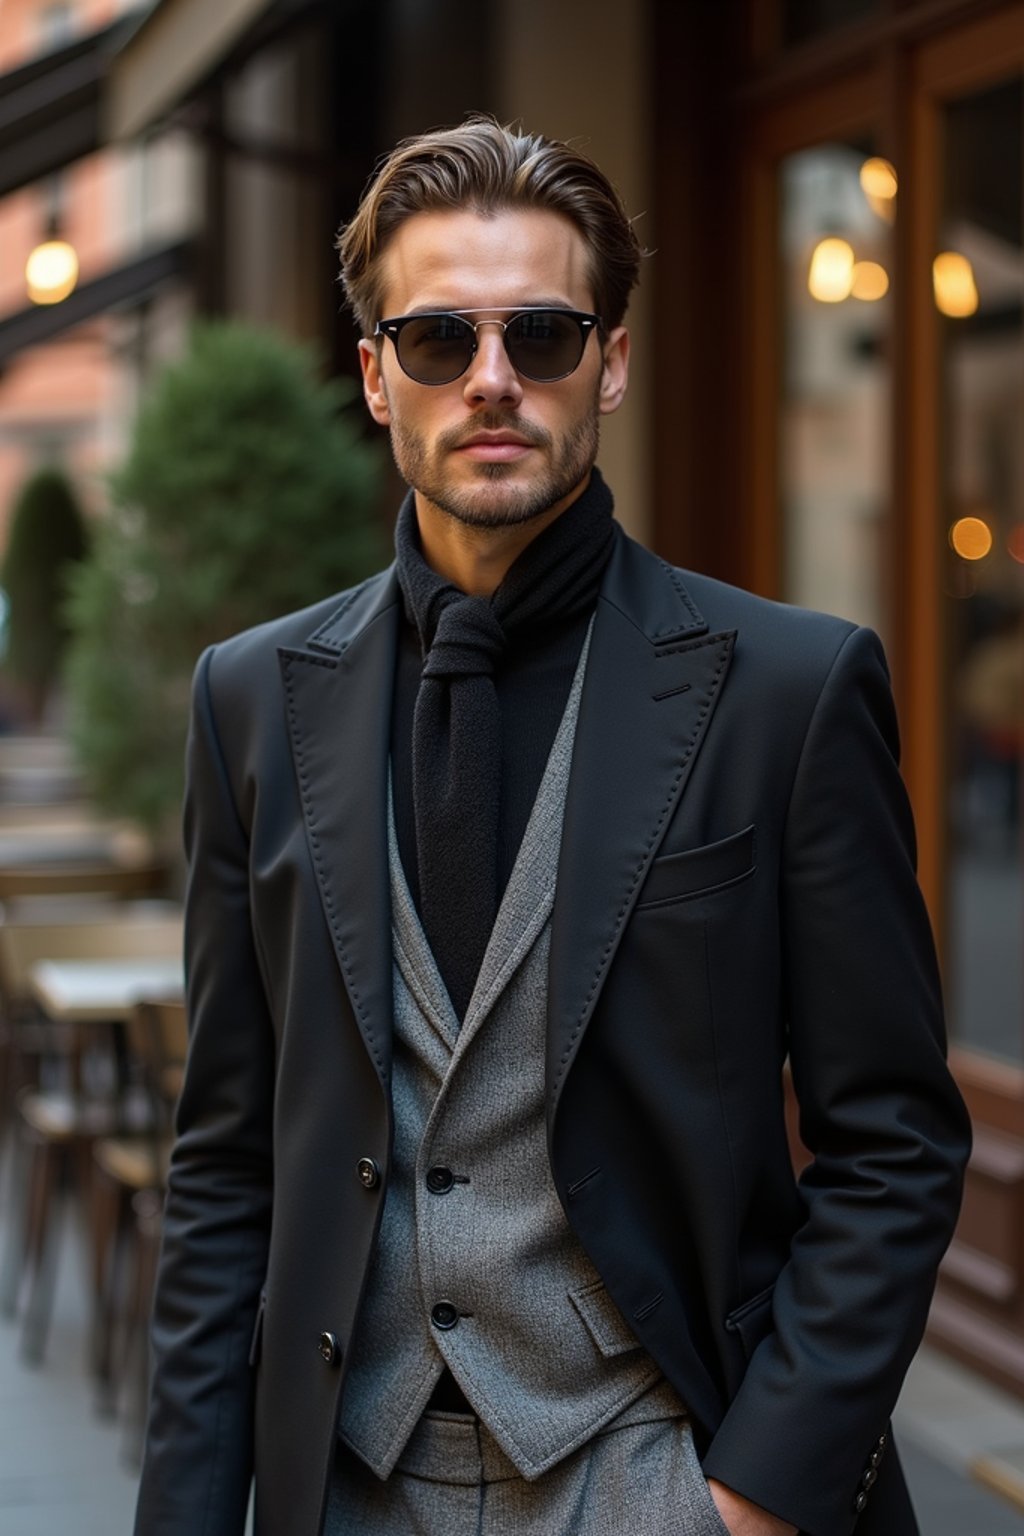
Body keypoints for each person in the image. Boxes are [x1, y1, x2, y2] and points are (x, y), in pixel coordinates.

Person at [134, 117, 971, 1536]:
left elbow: (893, 1139)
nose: (493, 381)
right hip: (348, 1480)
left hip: (656, 1465)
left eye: (544, 332)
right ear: (374, 377)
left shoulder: (787, 688)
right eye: (439, 340)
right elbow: (227, 1166)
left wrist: (752, 1498)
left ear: (615, 361)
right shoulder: (254, 702)